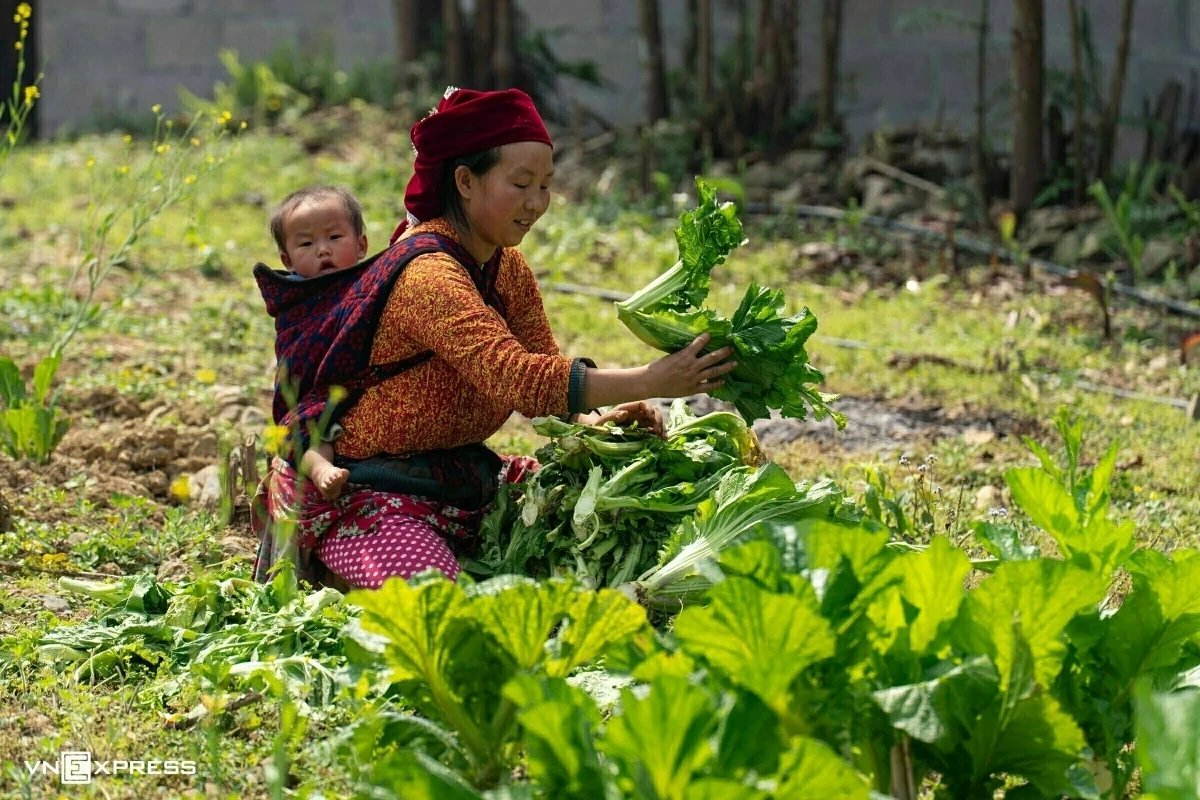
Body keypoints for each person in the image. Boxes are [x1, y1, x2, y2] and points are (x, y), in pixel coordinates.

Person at [251, 87, 736, 591]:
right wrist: (652, 379)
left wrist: (597, 417)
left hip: (463, 481)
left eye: (546, 185)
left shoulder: (506, 266)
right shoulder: (429, 277)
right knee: (440, 606)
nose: (537, 203)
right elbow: (518, 377)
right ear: (464, 181)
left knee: (623, 518)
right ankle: (330, 565)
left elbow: (544, 365)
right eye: (521, 183)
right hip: (367, 489)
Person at [267, 184, 369, 501]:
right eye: (307, 243)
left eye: (335, 238)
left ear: (361, 244)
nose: (323, 250)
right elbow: (294, 355)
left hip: (360, 391)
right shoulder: (294, 302)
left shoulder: (373, 282)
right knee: (307, 434)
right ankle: (321, 469)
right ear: (287, 260)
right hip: (313, 394)